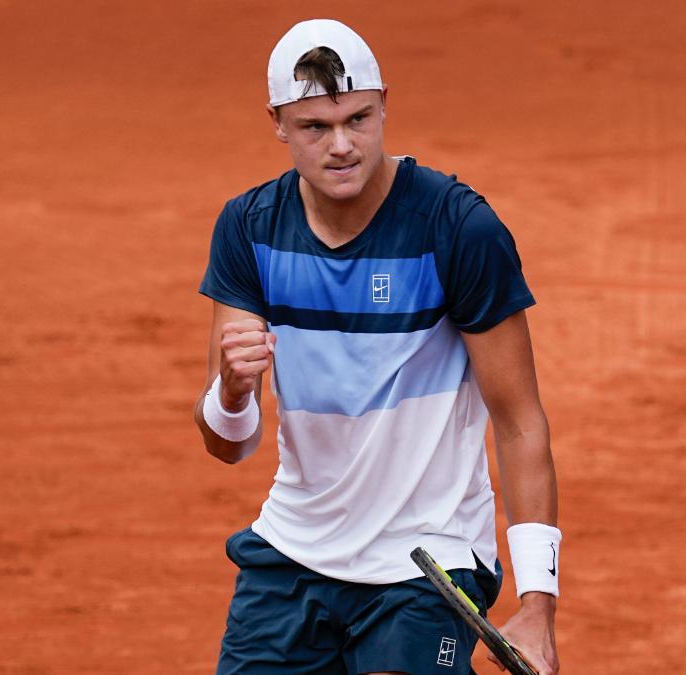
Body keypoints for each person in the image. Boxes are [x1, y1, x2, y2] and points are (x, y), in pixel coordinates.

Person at [193, 19, 561, 675]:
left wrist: (538, 603)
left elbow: (519, 418)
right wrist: (230, 390)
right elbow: (229, 444)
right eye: (315, 127)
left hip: (431, 562)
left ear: (385, 103)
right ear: (277, 122)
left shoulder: (457, 227)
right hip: (295, 551)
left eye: (358, 119)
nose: (342, 146)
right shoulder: (248, 229)